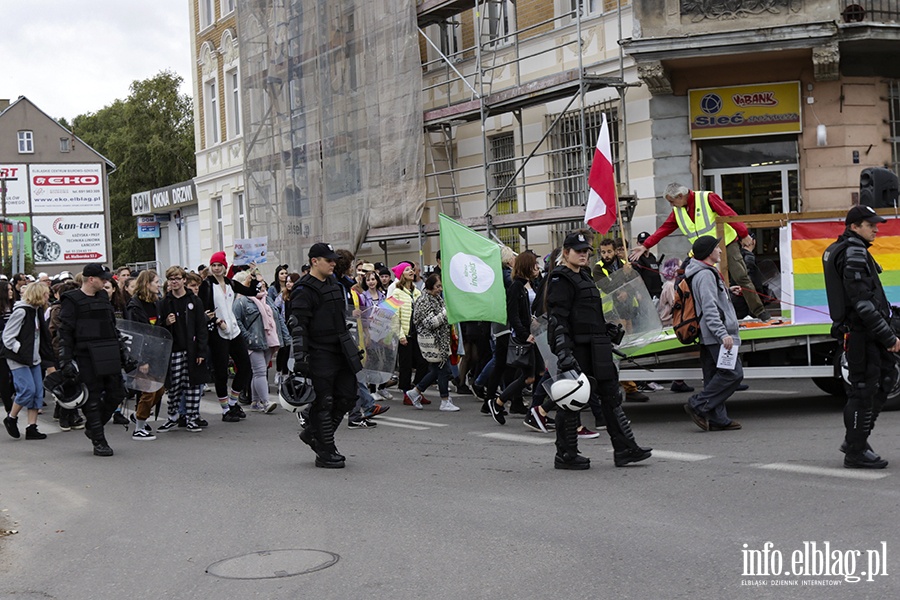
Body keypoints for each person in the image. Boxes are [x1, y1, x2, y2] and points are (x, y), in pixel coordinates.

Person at [546, 230, 652, 470]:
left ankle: (625, 449)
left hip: (597, 346)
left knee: (611, 397)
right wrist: (564, 353)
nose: (584, 255)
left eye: (586, 252)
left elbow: (588, 313)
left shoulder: (584, 275)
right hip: (577, 349)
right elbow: (558, 320)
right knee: (571, 401)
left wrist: (606, 329)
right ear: (566, 253)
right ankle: (566, 454)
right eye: (578, 251)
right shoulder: (560, 279)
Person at [823, 205, 899, 469]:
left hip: (866, 333)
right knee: (863, 391)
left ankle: (857, 439)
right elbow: (862, 304)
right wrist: (889, 337)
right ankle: (855, 450)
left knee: (886, 379)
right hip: (862, 334)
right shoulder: (853, 252)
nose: (876, 229)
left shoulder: (849, 248)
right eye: (871, 225)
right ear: (854, 226)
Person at [629, 182, 771, 322]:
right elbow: (664, 229)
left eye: (672, 202)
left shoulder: (707, 198)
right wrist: (645, 245)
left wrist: (743, 234)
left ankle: (759, 311)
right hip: (702, 253)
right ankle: (709, 317)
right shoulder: (678, 211)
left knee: (741, 277)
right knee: (698, 282)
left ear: (680, 196)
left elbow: (729, 214)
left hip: (726, 243)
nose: (671, 205)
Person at [288, 242, 361, 468]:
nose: (333, 263)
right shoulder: (303, 290)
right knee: (324, 401)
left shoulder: (333, 283)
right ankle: (325, 449)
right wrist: (301, 360)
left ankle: (312, 433)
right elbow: (298, 327)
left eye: (334, 260)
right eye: (328, 260)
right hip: (320, 353)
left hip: (341, 348)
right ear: (314, 261)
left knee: (348, 395)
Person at [56, 264, 132, 456]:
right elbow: (64, 333)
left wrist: (124, 354)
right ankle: (99, 439)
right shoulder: (71, 301)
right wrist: (65, 362)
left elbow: (113, 329)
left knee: (117, 393)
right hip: (86, 355)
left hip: (108, 352)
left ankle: (93, 427)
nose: (106, 281)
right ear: (91, 279)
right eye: (102, 278)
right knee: (93, 398)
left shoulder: (103, 298)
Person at [682, 236, 744, 432]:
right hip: (717, 335)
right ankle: (698, 404)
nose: (720, 250)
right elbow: (709, 308)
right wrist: (722, 333)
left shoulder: (704, 273)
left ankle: (718, 418)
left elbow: (709, 300)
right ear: (709, 253)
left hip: (709, 335)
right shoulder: (705, 275)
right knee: (733, 374)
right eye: (717, 248)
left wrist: (725, 291)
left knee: (713, 376)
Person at [198, 251, 256, 422]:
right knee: (221, 372)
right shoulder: (207, 285)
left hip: (234, 330)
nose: (216, 268)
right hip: (218, 332)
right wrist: (216, 320)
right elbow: (204, 310)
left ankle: (233, 402)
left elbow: (251, 291)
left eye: (219, 265)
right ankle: (225, 410)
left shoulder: (231, 283)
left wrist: (254, 273)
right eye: (213, 265)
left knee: (245, 367)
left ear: (224, 267)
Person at [486, 251, 540, 423]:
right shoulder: (516, 286)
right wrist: (525, 335)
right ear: (526, 267)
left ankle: (500, 403)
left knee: (534, 374)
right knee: (529, 375)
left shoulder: (524, 285)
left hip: (530, 333)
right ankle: (499, 403)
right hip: (525, 336)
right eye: (534, 265)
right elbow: (513, 314)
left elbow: (525, 313)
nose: (537, 268)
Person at [157, 266, 210, 432]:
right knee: (174, 386)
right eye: (171, 279)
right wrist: (166, 323)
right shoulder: (165, 302)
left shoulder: (194, 301)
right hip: (175, 350)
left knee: (193, 384)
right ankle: (173, 416)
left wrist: (201, 351)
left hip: (192, 349)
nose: (174, 282)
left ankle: (192, 417)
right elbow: (159, 329)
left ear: (183, 280)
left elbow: (201, 327)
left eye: (177, 278)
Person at [2, 282, 54, 440]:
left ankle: (32, 427)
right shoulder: (22, 311)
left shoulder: (36, 311)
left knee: (38, 392)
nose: (48, 296)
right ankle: (11, 418)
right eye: (45, 293)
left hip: (34, 358)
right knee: (27, 390)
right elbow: (7, 337)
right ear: (38, 294)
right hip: (19, 358)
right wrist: (21, 349)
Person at [233, 271, 289, 413]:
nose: (262, 284)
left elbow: (277, 318)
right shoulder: (241, 301)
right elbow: (236, 321)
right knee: (259, 372)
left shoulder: (267, 299)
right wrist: (247, 337)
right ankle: (265, 402)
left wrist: (285, 337)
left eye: (262, 281)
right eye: (258, 282)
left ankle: (255, 401)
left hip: (268, 340)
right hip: (253, 342)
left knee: (260, 371)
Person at [404, 274, 460, 412]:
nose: (440, 289)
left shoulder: (436, 298)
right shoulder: (424, 300)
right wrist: (446, 313)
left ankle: (416, 391)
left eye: (441, 286)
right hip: (431, 340)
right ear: (429, 287)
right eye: (437, 286)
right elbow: (430, 323)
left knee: (437, 369)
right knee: (442, 369)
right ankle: (444, 400)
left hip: (440, 339)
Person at [124, 270, 167, 440]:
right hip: (142, 356)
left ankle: (138, 415)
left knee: (160, 389)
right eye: (156, 282)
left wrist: (166, 322)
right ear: (147, 284)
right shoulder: (135, 306)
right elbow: (137, 334)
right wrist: (140, 360)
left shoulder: (156, 302)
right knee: (148, 391)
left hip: (155, 354)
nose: (159, 285)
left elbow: (155, 329)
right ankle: (139, 427)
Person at [391, 262, 428, 402]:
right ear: (401, 275)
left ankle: (416, 390)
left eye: (412, 269)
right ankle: (407, 393)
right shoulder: (396, 292)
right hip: (405, 335)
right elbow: (392, 315)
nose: (411, 271)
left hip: (418, 334)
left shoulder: (417, 292)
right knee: (405, 366)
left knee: (423, 363)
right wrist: (400, 335)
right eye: (407, 270)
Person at [657, 258, 694, 394]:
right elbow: (676, 303)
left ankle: (679, 381)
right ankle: (678, 381)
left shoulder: (673, 284)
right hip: (669, 322)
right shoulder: (669, 285)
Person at [633, 232, 663, 300]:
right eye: (641, 242)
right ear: (637, 243)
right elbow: (635, 279)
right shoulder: (636, 259)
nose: (643, 245)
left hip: (658, 293)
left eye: (646, 242)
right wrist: (638, 292)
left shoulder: (652, 257)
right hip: (645, 295)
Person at [0, 280, 15, 415]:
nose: (11, 292)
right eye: (8, 290)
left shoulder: (14, 307)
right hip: (2, 348)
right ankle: (8, 406)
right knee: (4, 378)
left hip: (13, 347)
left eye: (11, 289)